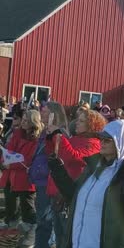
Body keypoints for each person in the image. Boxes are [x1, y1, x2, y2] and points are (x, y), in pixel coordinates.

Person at [48, 120, 124, 248]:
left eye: (107, 140)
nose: (101, 143)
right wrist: (57, 169)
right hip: (77, 242)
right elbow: (73, 196)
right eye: (101, 138)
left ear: (121, 142)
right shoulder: (92, 168)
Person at [44, 109, 106, 247]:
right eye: (78, 119)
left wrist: (58, 135)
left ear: (92, 125)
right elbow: (52, 155)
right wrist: (50, 138)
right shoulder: (74, 139)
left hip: (70, 195)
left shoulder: (94, 143)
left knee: (68, 237)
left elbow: (74, 157)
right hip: (57, 191)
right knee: (58, 235)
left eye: (81, 121)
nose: (76, 123)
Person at [0, 110, 42, 246]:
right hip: (11, 176)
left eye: (26, 120)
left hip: (25, 178)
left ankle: (31, 233)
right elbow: (9, 150)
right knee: (11, 203)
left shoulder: (36, 139)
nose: (22, 122)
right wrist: (4, 161)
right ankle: (11, 230)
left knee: (27, 206)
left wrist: (9, 165)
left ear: (33, 122)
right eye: (22, 119)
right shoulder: (17, 134)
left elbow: (28, 160)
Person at [35, 102, 69, 248]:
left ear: (54, 115)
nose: (42, 114)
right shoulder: (45, 132)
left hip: (51, 182)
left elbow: (58, 157)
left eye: (45, 111)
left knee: (46, 221)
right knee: (43, 220)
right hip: (42, 180)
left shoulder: (60, 133)